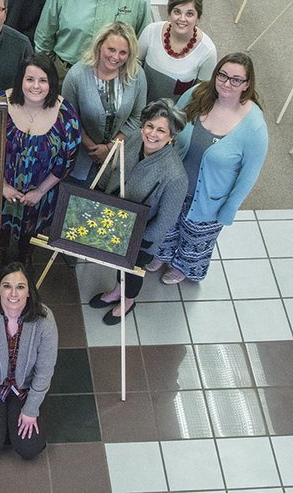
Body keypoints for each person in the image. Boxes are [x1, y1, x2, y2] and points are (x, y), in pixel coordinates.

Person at [151, 53, 268, 284]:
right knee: (167, 224)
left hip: (208, 202)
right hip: (174, 186)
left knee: (194, 239)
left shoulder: (254, 126)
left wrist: (229, 209)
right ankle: (161, 255)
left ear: (246, 84)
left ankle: (182, 267)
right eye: (223, 75)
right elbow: (172, 123)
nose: (227, 83)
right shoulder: (198, 94)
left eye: (236, 79)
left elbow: (248, 175)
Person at [88, 99, 188, 324]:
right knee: (118, 263)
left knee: (133, 268)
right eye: (150, 126)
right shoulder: (133, 139)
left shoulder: (176, 176)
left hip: (141, 236)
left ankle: (128, 300)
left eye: (161, 130)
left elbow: (166, 222)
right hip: (117, 219)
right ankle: (116, 291)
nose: (152, 134)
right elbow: (112, 167)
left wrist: (135, 239)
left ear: (171, 137)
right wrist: (98, 195)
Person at [0, 262, 58, 460]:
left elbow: (44, 372)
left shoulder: (45, 320)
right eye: (7, 286)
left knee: (30, 448)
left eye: (20, 287)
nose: (13, 293)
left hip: (26, 386)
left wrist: (31, 409)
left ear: (29, 292)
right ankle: (4, 422)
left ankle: (11, 422)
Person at [0, 53, 80, 262]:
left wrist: (40, 191)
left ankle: (25, 259)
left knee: (29, 237)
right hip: (1, 190)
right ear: (21, 81)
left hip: (40, 195)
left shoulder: (65, 116)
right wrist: (2, 186)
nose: (36, 86)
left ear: (51, 83)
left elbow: (67, 161)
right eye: (30, 79)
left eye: (43, 80)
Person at [61, 21, 146, 184]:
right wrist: (93, 148)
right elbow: (68, 118)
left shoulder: (136, 75)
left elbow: (137, 117)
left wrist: (110, 148)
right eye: (111, 49)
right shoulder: (76, 75)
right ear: (100, 45)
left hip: (118, 157)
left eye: (123, 52)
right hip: (80, 156)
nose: (115, 57)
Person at [138, 0, 217, 102]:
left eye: (189, 14)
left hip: (174, 116)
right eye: (177, 12)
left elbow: (201, 94)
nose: (182, 18)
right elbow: (134, 65)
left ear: (198, 18)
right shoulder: (151, 31)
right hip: (140, 107)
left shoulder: (207, 52)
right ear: (169, 14)